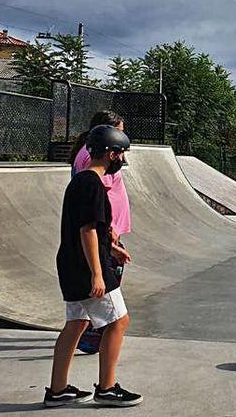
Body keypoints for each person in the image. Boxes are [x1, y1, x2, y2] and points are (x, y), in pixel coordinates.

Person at [45, 125, 141, 407]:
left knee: (76, 323)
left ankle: (58, 389)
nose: (122, 160)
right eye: (120, 154)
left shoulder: (80, 181)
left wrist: (112, 248)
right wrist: (98, 274)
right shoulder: (93, 184)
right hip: (87, 267)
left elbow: (86, 229)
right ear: (111, 154)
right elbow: (87, 230)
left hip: (71, 264)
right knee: (118, 321)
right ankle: (107, 388)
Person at [70, 112, 132, 355]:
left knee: (106, 287)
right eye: (120, 131)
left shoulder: (93, 154)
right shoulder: (90, 160)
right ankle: (95, 334)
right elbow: (91, 210)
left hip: (109, 231)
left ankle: (94, 330)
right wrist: (110, 236)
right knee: (105, 290)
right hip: (105, 232)